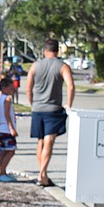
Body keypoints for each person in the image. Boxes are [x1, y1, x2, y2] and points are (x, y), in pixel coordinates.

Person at [26, 38, 74, 187]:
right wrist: (68, 104)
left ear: (45, 51)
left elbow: (28, 87)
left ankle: (43, 174)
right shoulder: (63, 66)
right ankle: (42, 174)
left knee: (40, 141)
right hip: (53, 109)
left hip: (38, 108)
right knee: (49, 141)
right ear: (57, 50)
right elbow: (71, 86)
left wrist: (32, 103)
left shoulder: (35, 66)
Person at [0, 77, 18, 182]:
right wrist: (12, 128)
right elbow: (7, 114)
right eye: (11, 89)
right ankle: (2, 171)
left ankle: (1, 170)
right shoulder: (7, 99)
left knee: (3, 150)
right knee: (11, 150)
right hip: (7, 128)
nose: (12, 91)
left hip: (1, 128)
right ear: (4, 88)